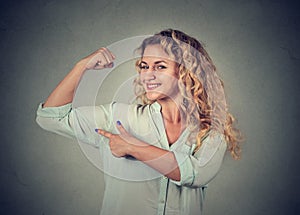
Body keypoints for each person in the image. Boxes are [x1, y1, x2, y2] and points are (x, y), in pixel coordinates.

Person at [36, 29, 242, 215]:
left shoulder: (211, 133)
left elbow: (195, 174)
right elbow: (50, 118)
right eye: (144, 66)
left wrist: (134, 147)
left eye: (160, 66)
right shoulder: (117, 117)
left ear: (186, 72)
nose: (147, 75)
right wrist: (81, 66)